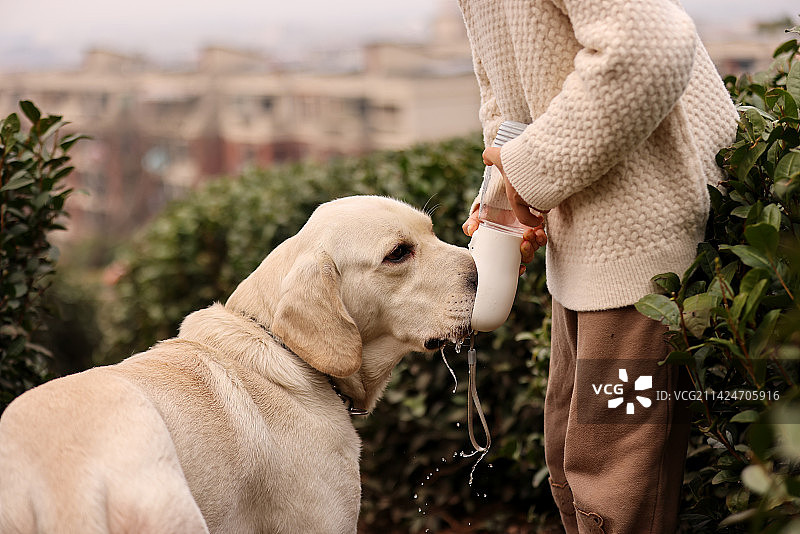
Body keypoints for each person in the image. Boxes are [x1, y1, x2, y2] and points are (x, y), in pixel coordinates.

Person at [457, 1, 738, 532]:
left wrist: (532, 171)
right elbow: (510, 98)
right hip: (588, 243)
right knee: (571, 459)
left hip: (643, 245)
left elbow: (649, 43)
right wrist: (505, 196)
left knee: (615, 491)